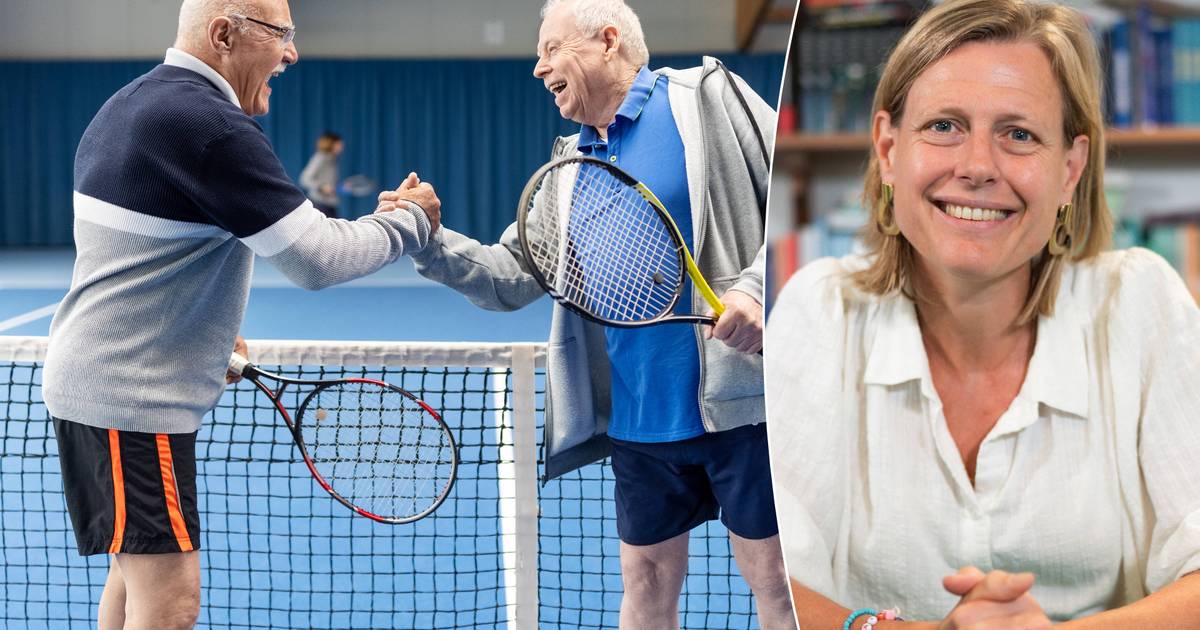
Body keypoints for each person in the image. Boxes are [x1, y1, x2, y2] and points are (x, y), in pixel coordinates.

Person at [766, 0, 1200, 628]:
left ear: (1070, 170)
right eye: (944, 125)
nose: (976, 166)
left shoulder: (1141, 304)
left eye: (1018, 134)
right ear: (888, 149)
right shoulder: (821, 312)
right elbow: (770, 576)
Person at [380, 1, 791, 627]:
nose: (538, 67)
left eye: (550, 49)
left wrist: (757, 291)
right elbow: (513, 277)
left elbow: (807, 196)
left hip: (744, 408)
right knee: (646, 581)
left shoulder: (711, 99)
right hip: (638, 419)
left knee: (775, 582)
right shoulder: (566, 169)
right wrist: (428, 239)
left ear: (607, 41)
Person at [41, 1, 440, 628]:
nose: (292, 53)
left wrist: (205, 342)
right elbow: (319, 259)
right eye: (280, 34)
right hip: (129, 402)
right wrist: (409, 222)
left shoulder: (132, 101)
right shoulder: (207, 124)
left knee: (130, 578)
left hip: (104, 390)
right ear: (223, 34)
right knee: (171, 601)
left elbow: (140, 259)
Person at [299, 131, 343, 218]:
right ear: (331, 144)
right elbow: (305, 179)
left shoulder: (332, 160)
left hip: (329, 205)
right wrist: (321, 186)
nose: (341, 147)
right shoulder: (320, 158)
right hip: (319, 205)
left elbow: (329, 184)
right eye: (339, 144)